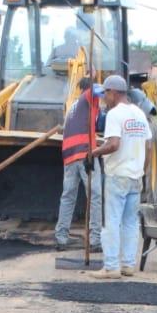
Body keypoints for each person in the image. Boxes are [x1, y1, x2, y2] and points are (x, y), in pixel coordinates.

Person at [90, 74, 150, 279]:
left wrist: (94, 152)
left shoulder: (115, 115)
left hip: (118, 175)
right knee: (131, 222)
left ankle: (111, 267)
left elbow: (114, 144)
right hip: (136, 176)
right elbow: (147, 146)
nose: (104, 97)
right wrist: (143, 171)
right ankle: (128, 265)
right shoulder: (140, 114)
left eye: (105, 93)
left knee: (112, 222)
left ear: (113, 92)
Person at [55, 77, 104, 251]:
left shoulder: (73, 107)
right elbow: (101, 90)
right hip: (85, 154)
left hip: (69, 156)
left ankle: (61, 238)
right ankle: (95, 240)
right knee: (96, 195)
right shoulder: (88, 96)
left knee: (68, 196)